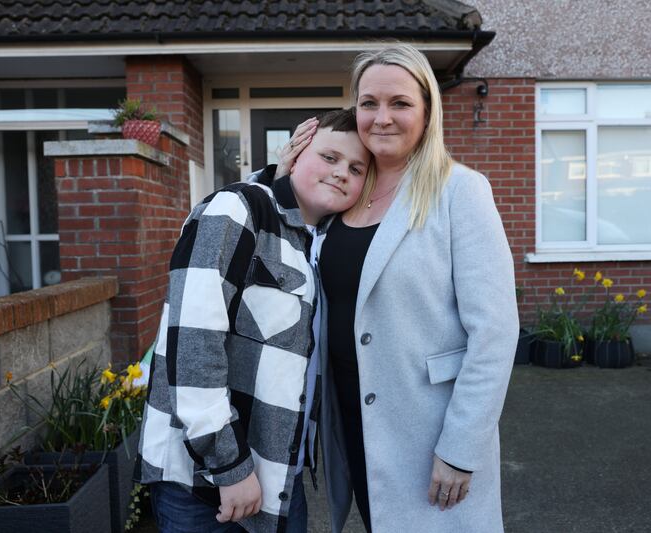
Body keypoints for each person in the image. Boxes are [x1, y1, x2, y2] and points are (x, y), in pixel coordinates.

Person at [279, 43, 518, 532]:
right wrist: (283, 174)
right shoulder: (346, 191)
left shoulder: (460, 191)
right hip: (355, 424)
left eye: (400, 103)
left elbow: (494, 334)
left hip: (428, 432)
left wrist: (461, 448)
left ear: (427, 112)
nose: (381, 118)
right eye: (369, 103)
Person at [133, 109, 371, 533]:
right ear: (297, 153)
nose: (342, 173)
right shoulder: (236, 210)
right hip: (205, 483)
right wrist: (230, 466)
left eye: (356, 168)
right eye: (330, 157)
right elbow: (193, 347)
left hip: (278, 478)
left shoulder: (322, 244)